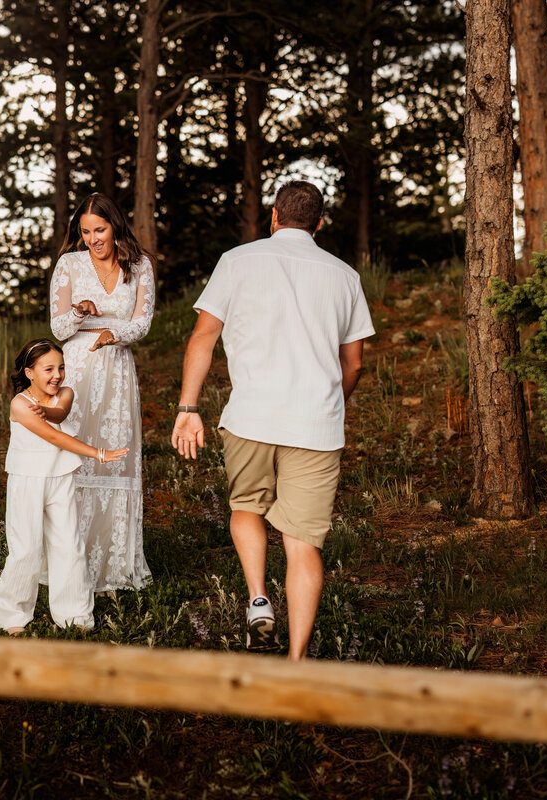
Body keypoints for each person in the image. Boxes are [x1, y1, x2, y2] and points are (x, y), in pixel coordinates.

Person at [171, 180, 375, 660]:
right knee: (303, 543)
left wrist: (188, 408)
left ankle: (259, 599)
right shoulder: (345, 276)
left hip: (251, 418)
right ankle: (297, 661)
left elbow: (203, 338)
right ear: (319, 223)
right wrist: (333, 402)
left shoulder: (237, 261)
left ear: (274, 216)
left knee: (246, 507)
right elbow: (355, 364)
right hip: (316, 425)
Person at [49, 192, 155, 592]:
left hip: (117, 371)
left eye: (100, 229)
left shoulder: (140, 266)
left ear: (115, 226)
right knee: (75, 460)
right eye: (85, 231)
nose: (93, 238)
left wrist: (115, 333)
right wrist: (79, 312)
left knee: (115, 459)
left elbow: (142, 323)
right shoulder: (70, 264)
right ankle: (69, 564)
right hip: (77, 368)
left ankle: (114, 566)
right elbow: (59, 328)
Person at [0, 338, 129, 635]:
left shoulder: (65, 393)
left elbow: (60, 414)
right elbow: (54, 436)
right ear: (29, 372)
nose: (57, 375)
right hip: (27, 480)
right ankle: (12, 614)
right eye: (49, 369)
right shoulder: (19, 403)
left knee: (69, 544)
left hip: (60, 477)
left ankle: (75, 615)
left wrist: (47, 411)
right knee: (26, 548)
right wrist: (98, 453)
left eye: (61, 368)